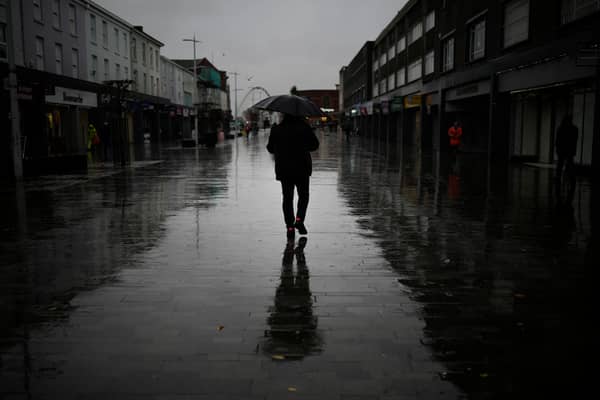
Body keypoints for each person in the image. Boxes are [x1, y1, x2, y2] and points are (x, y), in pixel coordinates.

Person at [267, 113, 320, 239]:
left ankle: (290, 226)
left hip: (284, 169)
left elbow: (270, 149)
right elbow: (315, 145)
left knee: (287, 198)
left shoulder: (277, 129)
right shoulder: (304, 127)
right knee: (304, 195)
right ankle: (299, 220)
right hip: (302, 168)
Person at [555, 114, 578, 202]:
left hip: (563, 150)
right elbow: (574, 140)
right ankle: (571, 180)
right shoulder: (574, 129)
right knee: (569, 165)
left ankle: (559, 178)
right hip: (569, 150)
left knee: (561, 165)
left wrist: (557, 148)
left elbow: (558, 140)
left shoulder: (561, 128)